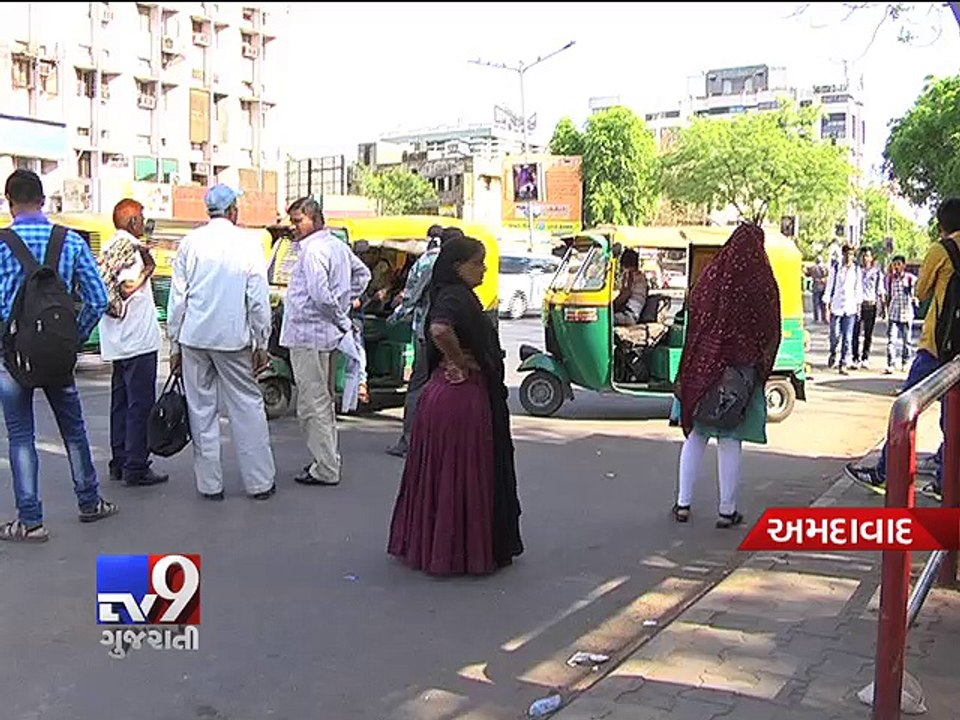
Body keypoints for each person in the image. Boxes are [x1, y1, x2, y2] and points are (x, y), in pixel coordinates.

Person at [388, 235, 523, 575]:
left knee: (444, 475)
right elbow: (439, 329)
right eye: (478, 262)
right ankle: (457, 551)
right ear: (457, 266)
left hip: (444, 397)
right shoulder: (455, 297)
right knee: (460, 475)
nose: (484, 268)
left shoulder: (454, 295)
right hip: (461, 399)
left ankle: (437, 546)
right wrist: (460, 359)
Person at [0, 169, 117, 541]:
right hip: (57, 356)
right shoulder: (70, 241)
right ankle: (89, 501)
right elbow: (99, 298)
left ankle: (30, 521)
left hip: (11, 357)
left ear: (9, 201)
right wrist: (74, 340)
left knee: (21, 435)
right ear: (43, 200)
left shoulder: (1, 244)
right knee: (74, 429)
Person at [167, 184, 276, 501]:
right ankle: (259, 482)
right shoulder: (248, 243)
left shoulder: (190, 243)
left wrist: (174, 344)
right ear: (233, 211)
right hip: (233, 340)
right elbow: (257, 299)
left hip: (194, 338)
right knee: (247, 408)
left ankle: (210, 485)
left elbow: (178, 299)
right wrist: (261, 342)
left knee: (201, 410)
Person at [846, 198, 960, 500]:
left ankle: (885, 472)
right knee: (954, 419)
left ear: (942, 224)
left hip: (938, 345)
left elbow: (921, 292)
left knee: (906, 412)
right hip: (958, 353)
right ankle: (945, 480)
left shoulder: (942, 249)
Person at [670, 223, 781, 529]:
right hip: (738, 374)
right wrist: (759, 363)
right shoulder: (761, 281)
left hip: (701, 369)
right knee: (731, 438)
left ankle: (683, 503)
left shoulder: (710, 276)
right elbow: (771, 326)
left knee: (696, 435)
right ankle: (726, 510)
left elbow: (693, 315)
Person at [280, 197, 371, 486]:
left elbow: (320, 295)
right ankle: (327, 460)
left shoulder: (315, 250)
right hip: (323, 335)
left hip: (311, 335)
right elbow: (362, 275)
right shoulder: (335, 246)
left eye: (298, 221)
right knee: (322, 402)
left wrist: (339, 314)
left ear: (314, 218)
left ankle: (326, 467)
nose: (293, 227)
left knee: (312, 405)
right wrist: (343, 305)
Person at [97, 199, 168, 487]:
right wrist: (148, 269)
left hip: (117, 340)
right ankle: (136, 465)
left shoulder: (109, 246)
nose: (144, 222)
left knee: (121, 403)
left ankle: (119, 460)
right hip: (137, 340)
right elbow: (127, 288)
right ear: (132, 221)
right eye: (141, 218)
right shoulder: (132, 250)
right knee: (140, 405)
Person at [384, 225, 463, 458]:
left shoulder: (430, 263)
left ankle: (409, 441)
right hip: (452, 334)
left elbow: (411, 297)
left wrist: (392, 317)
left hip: (428, 333)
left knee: (418, 387)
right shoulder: (462, 264)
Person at [823, 245, 862, 375]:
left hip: (850, 308)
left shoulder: (856, 270)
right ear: (843, 254)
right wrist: (827, 306)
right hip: (837, 307)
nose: (848, 257)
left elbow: (858, 289)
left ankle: (843, 363)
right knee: (835, 335)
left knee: (848, 337)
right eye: (846, 254)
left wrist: (858, 307)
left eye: (851, 254)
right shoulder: (836, 268)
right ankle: (833, 352)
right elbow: (829, 287)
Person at [851, 247, 885, 370]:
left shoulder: (876, 272)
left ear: (872, 258)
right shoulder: (857, 271)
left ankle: (865, 357)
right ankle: (855, 357)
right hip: (858, 305)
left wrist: (882, 305)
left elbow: (880, 289)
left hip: (871, 304)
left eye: (868, 256)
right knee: (855, 333)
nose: (866, 258)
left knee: (868, 333)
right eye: (864, 256)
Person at [884, 254, 917, 374]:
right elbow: (888, 295)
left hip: (906, 312)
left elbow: (914, 294)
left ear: (904, 265)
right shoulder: (890, 279)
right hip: (893, 312)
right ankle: (891, 363)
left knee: (906, 340)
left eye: (899, 264)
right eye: (895, 264)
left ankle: (905, 362)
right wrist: (885, 309)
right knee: (892, 340)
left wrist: (913, 295)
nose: (896, 267)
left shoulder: (910, 278)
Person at [613, 248, 650, 326]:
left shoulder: (629, 275)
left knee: (604, 319)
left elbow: (625, 294)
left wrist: (611, 306)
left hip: (628, 315)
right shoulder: (641, 277)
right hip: (634, 314)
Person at [805, 257, 829, 324]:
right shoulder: (825, 267)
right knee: (823, 304)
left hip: (815, 286)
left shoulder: (813, 268)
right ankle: (824, 318)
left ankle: (816, 319)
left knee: (816, 303)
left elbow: (807, 274)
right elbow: (827, 275)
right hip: (823, 286)